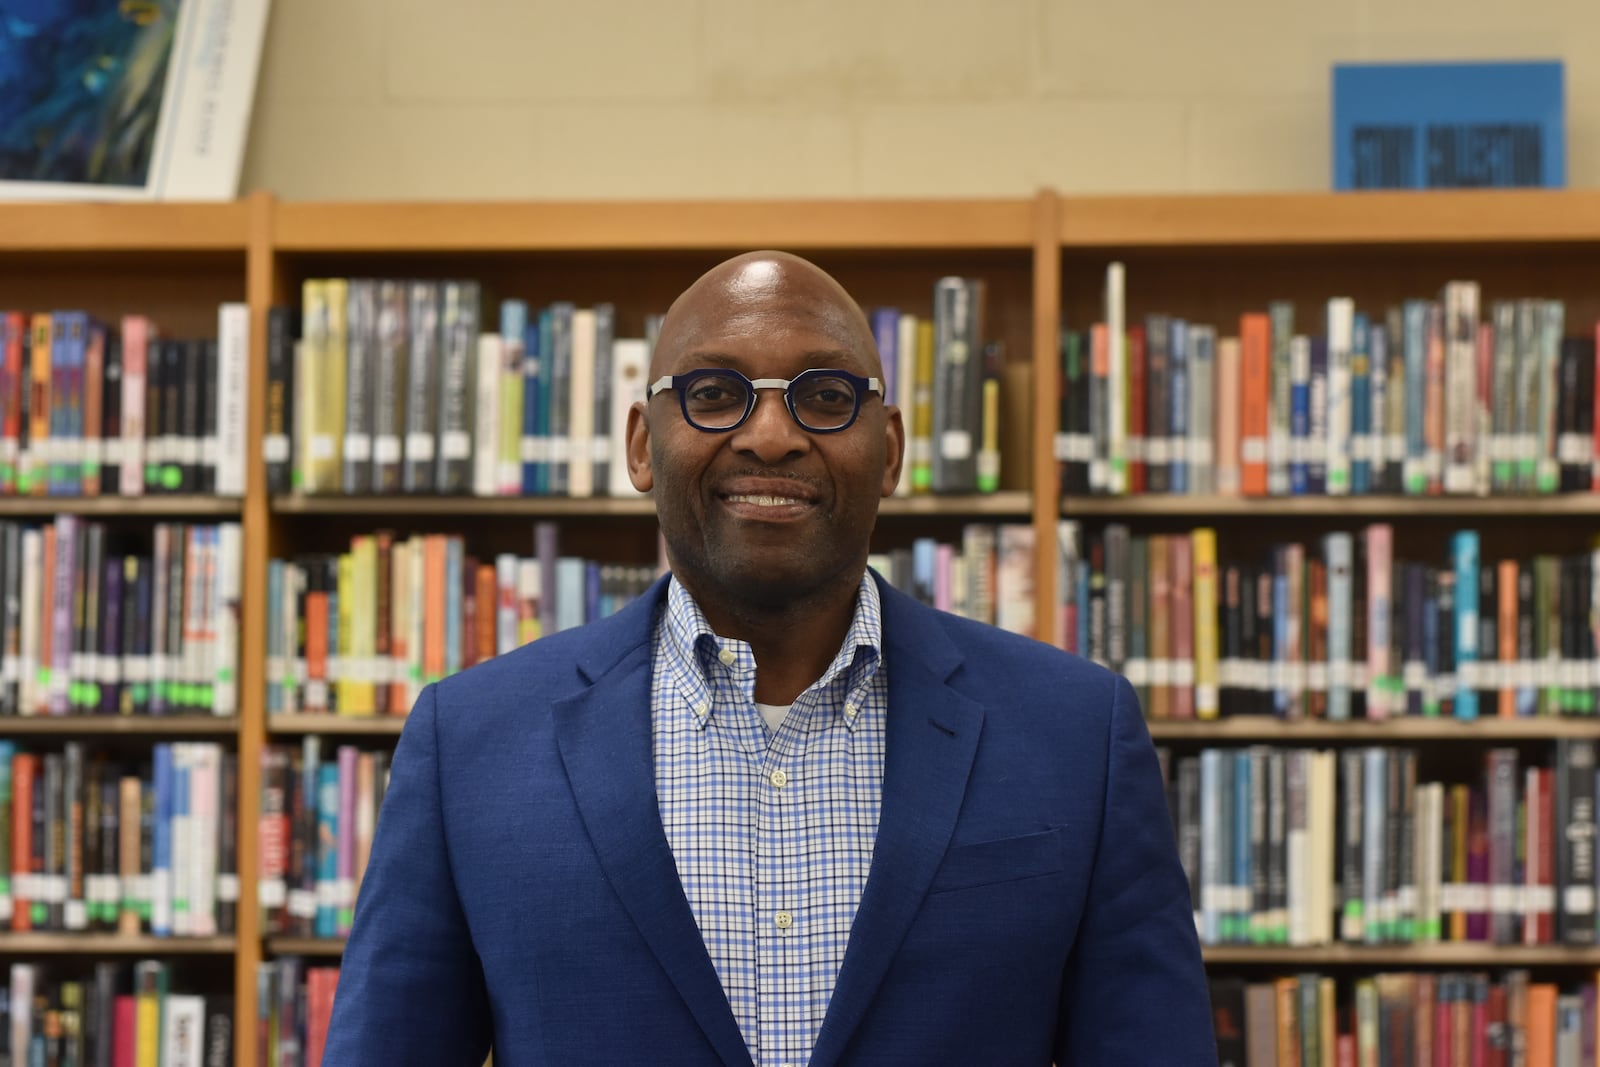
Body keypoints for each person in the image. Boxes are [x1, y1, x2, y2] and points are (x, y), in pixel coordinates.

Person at [322, 251, 1217, 1066]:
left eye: (826, 395)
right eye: (715, 392)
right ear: (642, 444)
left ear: (891, 449)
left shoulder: (1075, 735)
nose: (773, 434)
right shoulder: (471, 744)